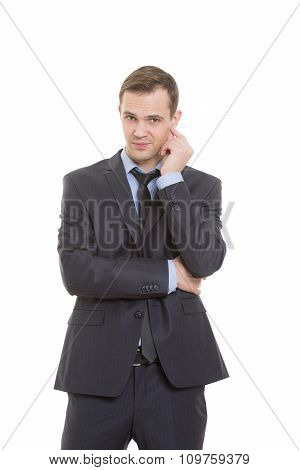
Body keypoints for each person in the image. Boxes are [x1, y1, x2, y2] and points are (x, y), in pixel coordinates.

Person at [54, 65, 229, 450]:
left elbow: (204, 262)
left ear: (174, 120)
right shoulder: (82, 184)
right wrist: (169, 274)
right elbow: (78, 272)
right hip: (96, 373)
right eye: (130, 117)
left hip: (176, 377)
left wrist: (171, 180)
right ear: (119, 112)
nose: (139, 131)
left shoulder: (201, 186)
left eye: (153, 119)